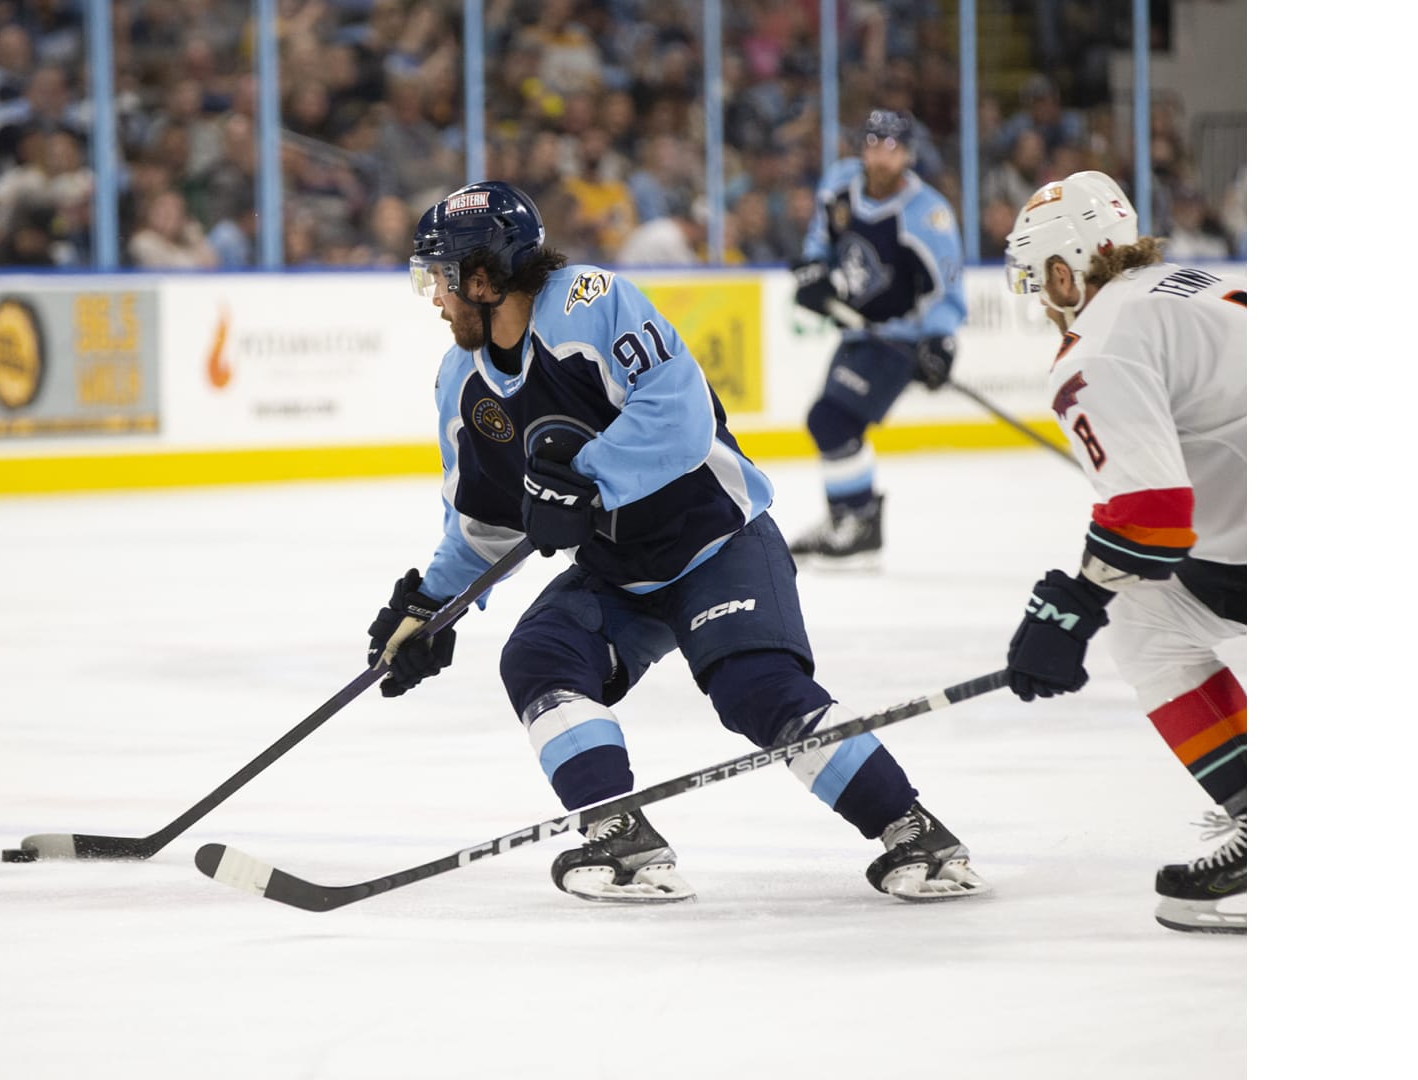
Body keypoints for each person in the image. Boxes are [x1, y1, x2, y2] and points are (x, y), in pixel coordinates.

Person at [370, 180, 990, 905]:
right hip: (618, 572)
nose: (436, 299)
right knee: (539, 658)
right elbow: (486, 521)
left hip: (717, 541)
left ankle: (916, 834)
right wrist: (430, 606)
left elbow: (680, 414)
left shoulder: (587, 303)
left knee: (756, 688)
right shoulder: (460, 384)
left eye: (441, 279)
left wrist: (586, 481)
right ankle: (620, 835)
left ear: (482, 278)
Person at [1000, 171, 1246, 934]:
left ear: (1065, 272)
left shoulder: (1099, 343)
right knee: (1150, 618)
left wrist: (1073, 607)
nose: (1046, 303)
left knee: (1149, 626)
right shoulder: (1188, 286)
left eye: (1041, 282)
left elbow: (1153, 517)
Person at [788, 109, 966, 563]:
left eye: (892, 147)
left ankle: (859, 522)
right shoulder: (841, 182)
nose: (881, 156)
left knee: (830, 420)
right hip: (856, 331)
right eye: (873, 144)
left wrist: (940, 342)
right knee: (831, 423)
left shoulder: (928, 215)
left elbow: (945, 291)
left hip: (900, 339)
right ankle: (847, 520)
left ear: (908, 154)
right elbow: (821, 238)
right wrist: (814, 271)